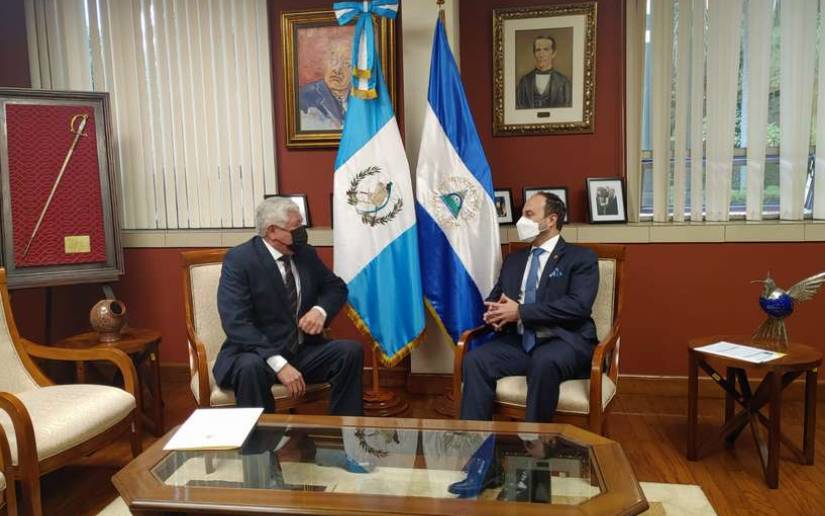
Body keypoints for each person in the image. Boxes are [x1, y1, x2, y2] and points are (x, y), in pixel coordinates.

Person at [213, 197, 363, 416]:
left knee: (350, 352)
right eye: (296, 227)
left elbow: (336, 287)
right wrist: (279, 364)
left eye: (302, 225)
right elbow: (236, 322)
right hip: (258, 354)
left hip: (301, 351)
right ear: (272, 231)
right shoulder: (240, 260)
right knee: (249, 367)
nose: (302, 232)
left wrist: (320, 311)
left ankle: (346, 431)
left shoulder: (305, 254)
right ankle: (261, 437)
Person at [460, 192, 599, 423]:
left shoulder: (581, 258)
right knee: (475, 360)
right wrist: (495, 315)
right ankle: (475, 439)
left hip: (564, 340)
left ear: (551, 220)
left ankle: (535, 439)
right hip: (520, 341)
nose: (521, 221)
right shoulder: (514, 260)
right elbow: (497, 298)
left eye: (529, 214)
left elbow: (578, 307)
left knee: (543, 361)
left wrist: (520, 312)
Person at [299, 42, 351, 130]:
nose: (337, 70)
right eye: (333, 61)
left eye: (347, 64)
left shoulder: (361, 99)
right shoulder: (303, 97)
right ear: (325, 63)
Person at [516, 35, 572, 109]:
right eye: (538, 50)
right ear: (534, 53)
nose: (541, 55)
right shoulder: (524, 82)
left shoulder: (564, 82)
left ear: (554, 53)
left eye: (546, 50)